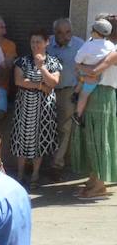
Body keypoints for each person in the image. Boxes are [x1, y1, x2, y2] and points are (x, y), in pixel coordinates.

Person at [70, 14, 117, 199]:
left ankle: (99, 185)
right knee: (89, 136)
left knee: (99, 137)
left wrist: (82, 69)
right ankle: (93, 178)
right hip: (96, 92)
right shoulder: (106, 47)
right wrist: (83, 71)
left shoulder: (113, 50)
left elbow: (96, 71)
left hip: (102, 94)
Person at [8, 31, 61, 187]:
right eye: (32, 42)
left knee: (39, 140)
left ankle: (35, 175)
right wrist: (39, 85)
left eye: (38, 41)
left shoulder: (53, 61)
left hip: (44, 108)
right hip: (25, 106)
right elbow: (19, 81)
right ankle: (20, 174)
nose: (35, 45)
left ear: (46, 43)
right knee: (22, 140)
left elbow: (53, 83)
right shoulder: (22, 61)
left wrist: (42, 68)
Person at [46, 18, 82, 173]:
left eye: (68, 32)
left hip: (68, 91)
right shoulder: (48, 44)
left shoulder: (80, 45)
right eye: (61, 33)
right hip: (47, 91)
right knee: (46, 126)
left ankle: (57, 165)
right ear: (55, 33)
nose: (65, 36)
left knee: (64, 128)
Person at [71, 18, 115, 125]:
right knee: (86, 87)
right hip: (97, 77)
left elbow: (77, 59)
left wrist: (79, 64)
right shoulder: (111, 46)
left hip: (87, 72)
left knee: (84, 94)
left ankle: (77, 114)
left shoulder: (88, 45)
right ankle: (76, 96)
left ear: (95, 33)